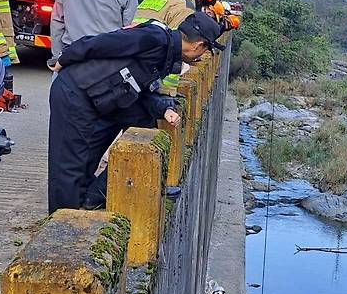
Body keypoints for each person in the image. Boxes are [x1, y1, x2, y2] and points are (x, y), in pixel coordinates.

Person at [47, 11, 224, 214]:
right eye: (205, 50)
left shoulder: (167, 54)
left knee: (140, 124)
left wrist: (164, 107)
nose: (202, 56)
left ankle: (90, 198)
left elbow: (142, 91)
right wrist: (66, 58)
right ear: (198, 45)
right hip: (75, 91)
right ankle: (62, 224)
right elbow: (104, 42)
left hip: (100, 97)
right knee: (69, 165)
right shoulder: (156, 38)